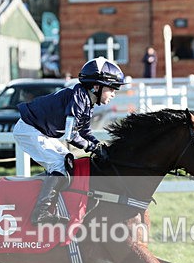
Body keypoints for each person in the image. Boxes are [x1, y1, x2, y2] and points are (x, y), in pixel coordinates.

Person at [13, 56, 120, 224]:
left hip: (39, 131)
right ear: (96, 86)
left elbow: (84, 131)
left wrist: (98, 145)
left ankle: (52, 201)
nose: (114, 94)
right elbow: (70, 135)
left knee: (67, 161)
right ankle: (40, 214)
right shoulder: (79, 98)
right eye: (112, 88)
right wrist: (92, 147)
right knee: (58, 165)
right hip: (29, 130)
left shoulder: (86, 101)